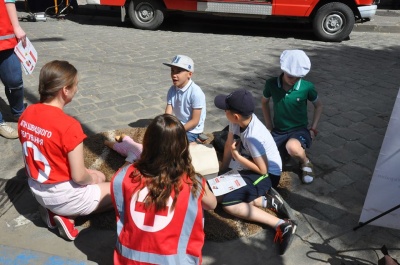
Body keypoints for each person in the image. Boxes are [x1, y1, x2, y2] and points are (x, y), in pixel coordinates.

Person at [18, 60, 113, 241]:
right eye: (76, 85)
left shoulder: (26, 113)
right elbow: (79, 177)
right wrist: (93, 178)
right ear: (65, 90)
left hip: (37, 190)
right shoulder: (69, 126)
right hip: (63, 197)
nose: (77, 90)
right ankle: (68, 216)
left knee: (94, 176)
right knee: (121, 190)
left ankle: (55, 209)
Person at [111, 114, 217, 265]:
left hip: (128, 261)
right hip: (177, 261)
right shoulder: (192, 182)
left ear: (147, 143)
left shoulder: (124, 175)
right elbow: (212, 204)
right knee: (198, 204)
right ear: (182, 147)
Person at [214, 88, 296, 255]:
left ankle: (282, 224)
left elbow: (263, 169)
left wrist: (238, 156)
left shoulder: (253, 136)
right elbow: (229, 147)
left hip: (267, 175)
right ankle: (265, 200)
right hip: (250, 166)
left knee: (229, 203)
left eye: (225, 110)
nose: (224, 112)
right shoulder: (237, 121)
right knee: (222, 185)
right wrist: (222, 171)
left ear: (235, 116)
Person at [262, 49, 323, 184]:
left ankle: (305, 162)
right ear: (284, 70)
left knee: (293, 147)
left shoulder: (307, 87)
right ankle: (285, 151)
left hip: (299, 129)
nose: (294, 80)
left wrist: (313, 129)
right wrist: (268, 126)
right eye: (290, 76)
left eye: (298, 77)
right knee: (264, 157)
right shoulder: (271, 84)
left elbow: (318, 106)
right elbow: (264, 102)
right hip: (279, 130)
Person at [163, 55, 207, 143]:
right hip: (178, 124)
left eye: (178, 71)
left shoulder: (196, 92)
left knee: (175, 145)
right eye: (172, 71)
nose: (174, 75)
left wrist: (177, 131)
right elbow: (168, 112)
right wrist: (166, 126)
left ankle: (197, 139)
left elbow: (195, 121)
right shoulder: (172, 89)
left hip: (192, 129)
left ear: (189, 74)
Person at [0, 0, 26, 139]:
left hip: (5, 38)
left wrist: (16, 26)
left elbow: (8, 0)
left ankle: (18, 113)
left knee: (14, 80)